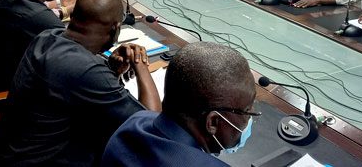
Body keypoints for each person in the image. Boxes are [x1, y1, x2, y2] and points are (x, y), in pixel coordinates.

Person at [0, 0, 161, 166]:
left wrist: (111, 69)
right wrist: (141, 64)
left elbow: (73, 87)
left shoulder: (48, 36)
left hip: (11, 153)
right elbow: (153, 129)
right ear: (115, 28)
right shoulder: (86, 70)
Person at [102, 42, 256, 167]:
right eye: (247, 110)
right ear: (213, 123)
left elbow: (152, 113)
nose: (251, 116)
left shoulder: (134, 123)